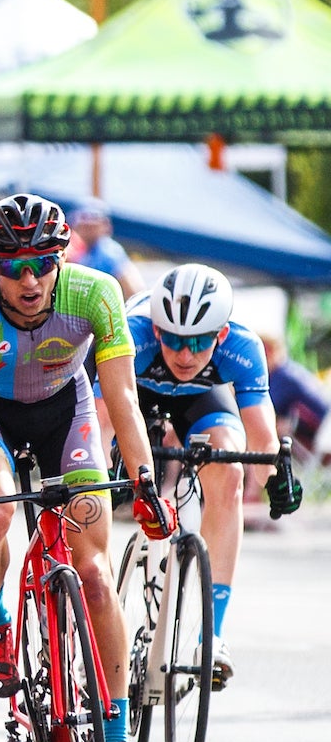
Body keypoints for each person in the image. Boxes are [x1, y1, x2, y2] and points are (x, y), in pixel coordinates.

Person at [0, 194, 174, 742]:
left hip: (66, 412)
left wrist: (144, 482)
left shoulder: (96, 294)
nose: (30, 278)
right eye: (13, 266)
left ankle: (118, 740)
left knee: (92, 573)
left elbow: (120, 398)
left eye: (43, 262)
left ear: (62, 257)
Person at [125, 264, 299, 687]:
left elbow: (259, 434)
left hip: (202, 403)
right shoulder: (133, 332)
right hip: (132, 396)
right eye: (174, 340)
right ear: (157, 329)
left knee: (230, 474)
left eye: (200, 342)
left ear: (221, 335)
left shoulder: (243, 345)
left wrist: (275, 480)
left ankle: (212, 636)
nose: (185, 355)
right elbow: (103, 419)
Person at [265, 333, 329, 461]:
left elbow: (267, 407)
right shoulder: (289, 370)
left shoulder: (284, 377)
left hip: (319, 436)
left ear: (270, 351)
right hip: (320, 433)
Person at [67, 200, 145, 296]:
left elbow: (134, 290)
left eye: (93, 225)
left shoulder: (109, 253)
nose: (88, 227)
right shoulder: (73, 249)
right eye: (84, 224)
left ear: (106, 226)